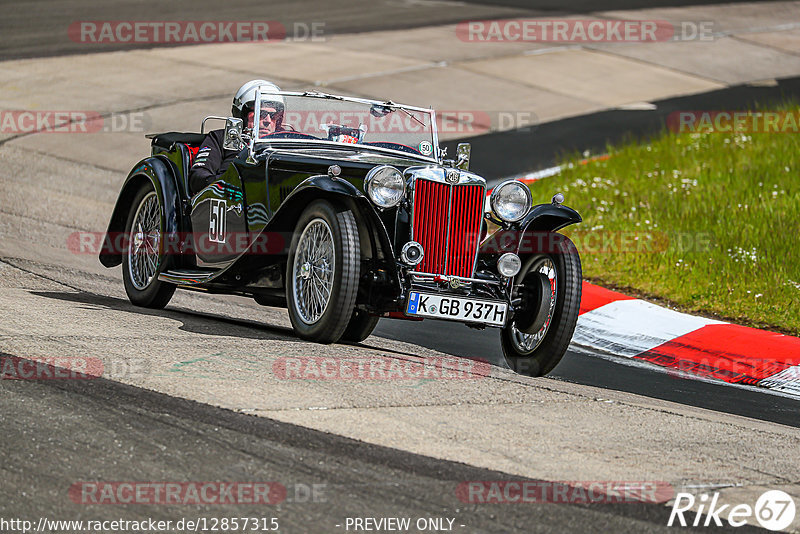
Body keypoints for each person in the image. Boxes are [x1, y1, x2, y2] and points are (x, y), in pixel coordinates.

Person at [188, 80, 285, 196]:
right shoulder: (221, 138)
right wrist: (229, 183)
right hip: (232, 200)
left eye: (274, 116)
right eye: (261, 114)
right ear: (242, 115)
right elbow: (198, 177)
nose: (268, 121)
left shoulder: (287, 141)